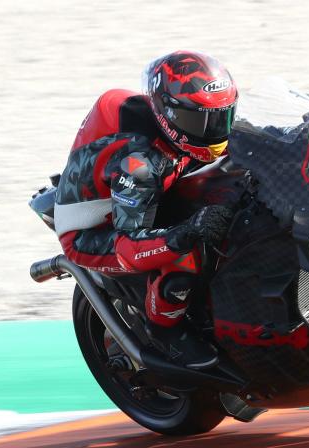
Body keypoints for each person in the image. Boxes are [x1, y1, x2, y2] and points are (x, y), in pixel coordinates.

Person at [53, 51, 238, 369]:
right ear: (169, 115)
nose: (215, 129)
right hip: (98, 230)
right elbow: (129, 244)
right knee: (184, 255)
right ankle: (166, 331)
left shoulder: (175, 131)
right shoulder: (140, 165)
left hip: (147, 193)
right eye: (201, 121)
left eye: (223, 116)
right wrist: (187, 232)